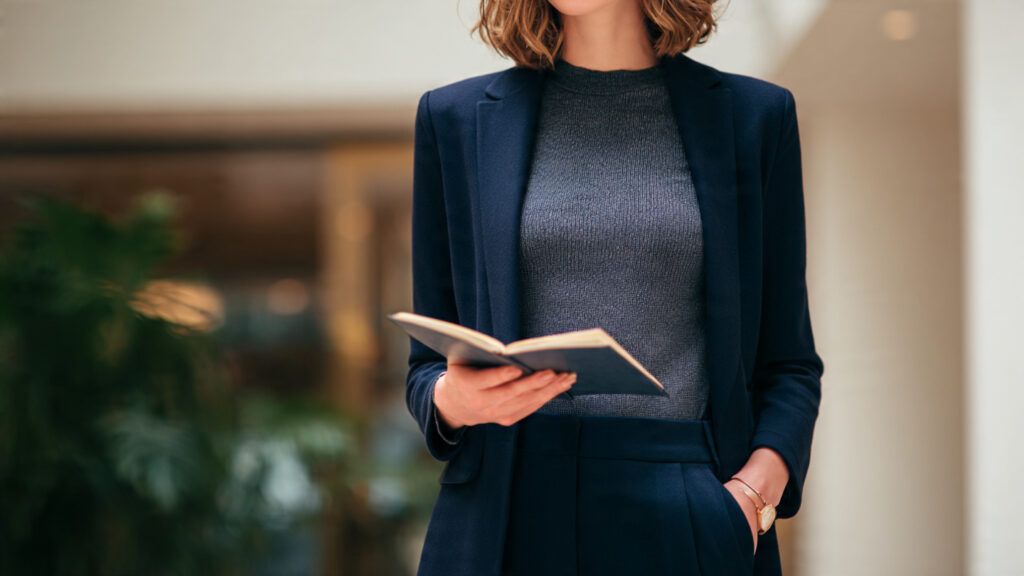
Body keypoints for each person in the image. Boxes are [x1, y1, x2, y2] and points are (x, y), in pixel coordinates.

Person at [401, 0, 824, 574]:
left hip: (687, 503)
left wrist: (751, 495)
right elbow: (426, 368)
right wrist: (453, 400)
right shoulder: (453, 119)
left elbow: (789, 361)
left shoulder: (755, 117)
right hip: (508, 508)